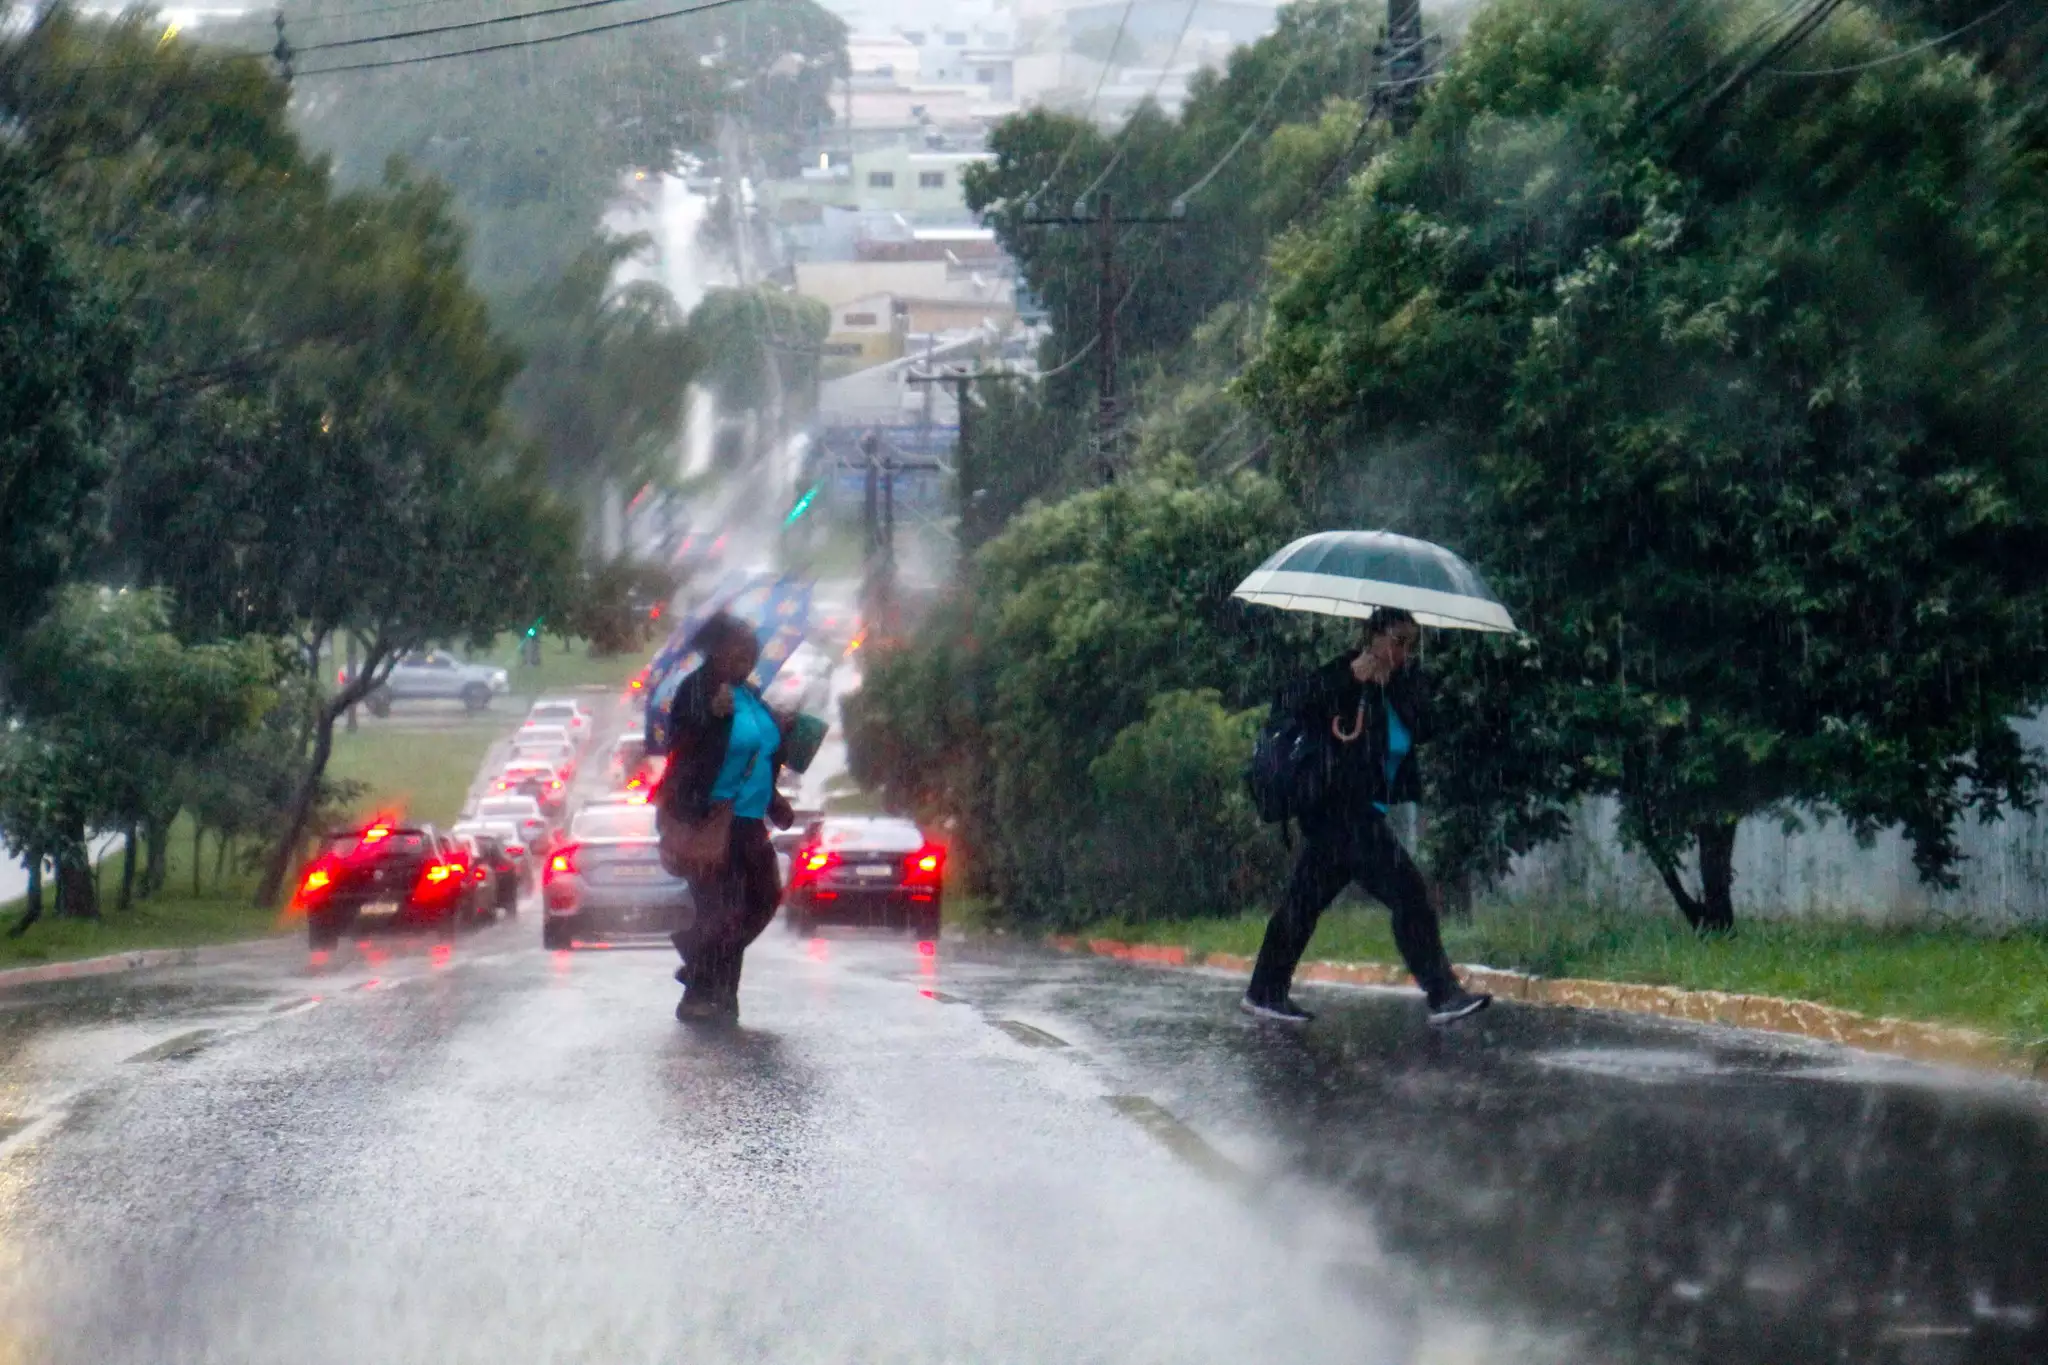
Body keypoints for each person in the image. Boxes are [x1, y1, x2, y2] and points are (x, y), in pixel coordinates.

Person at [1243, 606, 1492, 1027]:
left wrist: (1397, 686)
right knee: (1409, 894)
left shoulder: (1402, 683)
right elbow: (1289, 703)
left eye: (1411, 644)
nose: (1403, 652)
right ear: (1372, 637)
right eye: (1397, 641)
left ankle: (1265, 991)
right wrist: (1350, 678)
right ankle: (1443, 994)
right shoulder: (1342, 673)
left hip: (1358, 812)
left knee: (1303, 903)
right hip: (1340, 811)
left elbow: (1426, 727)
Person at [656, 612, 794, 1023]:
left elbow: (760, 754)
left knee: (764, 899)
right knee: (723, 912)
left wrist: (785, 738)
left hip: (750, 821)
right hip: (709, 820)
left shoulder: (750, 695)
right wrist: (710, 717)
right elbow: (681, 746)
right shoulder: (696, 690)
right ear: (715, 650)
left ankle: (702, 970)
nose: (746, 658)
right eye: (737, 649)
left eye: (751, 651)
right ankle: (714, 996)